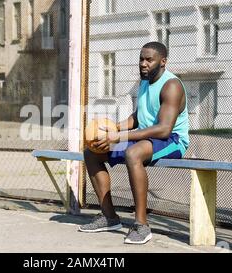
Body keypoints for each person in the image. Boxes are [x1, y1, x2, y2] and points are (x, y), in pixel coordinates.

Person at [79, 42, 189, 244]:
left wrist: (120, 137)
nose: (143, 64)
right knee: (92, 151)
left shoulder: (171, 85)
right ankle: (109, 216)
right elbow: (139, 117)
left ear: (163, 62)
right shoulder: (145, 82)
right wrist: (115, 128)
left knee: (133, 154)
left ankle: (141, 225)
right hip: (146, 137)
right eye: (141, 59)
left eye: (149, 60)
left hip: (172, 139)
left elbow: (164, 129)